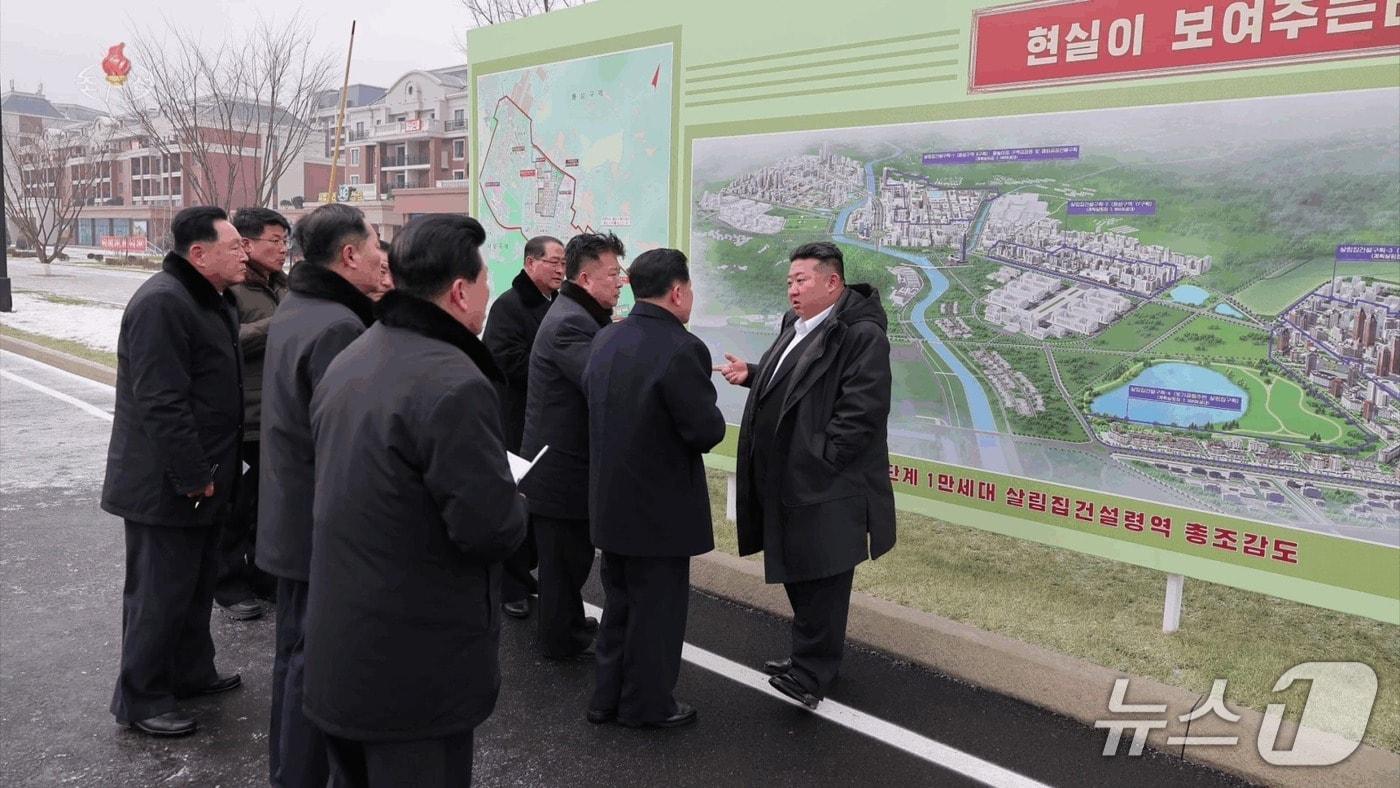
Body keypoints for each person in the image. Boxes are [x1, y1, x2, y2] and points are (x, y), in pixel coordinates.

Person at [304, 213, 526, 787]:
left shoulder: (355, 355)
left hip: (343, 646)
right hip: (415, 669)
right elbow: (488, 529)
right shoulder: (456, 383)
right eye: (484, 282)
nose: (487, 294)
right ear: (458, 291)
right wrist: (512, 498)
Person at [714, 241, 896, 710]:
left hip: (826, 484)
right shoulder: (796, 325)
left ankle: (812, 673)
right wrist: (753, 373)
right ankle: (809, 658)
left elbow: (863, 412)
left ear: (832, 282)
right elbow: (793, 381)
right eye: (790, 281)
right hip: (789, 479)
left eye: (802, 280)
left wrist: (822, 460)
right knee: (800, 569)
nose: (792, 290)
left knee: (824, 577)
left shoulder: (859, 335)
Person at [102, 206, 250, 737]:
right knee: (158, 593)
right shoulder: (163, 302)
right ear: (198, 253)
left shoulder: (211, 300)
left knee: (194, 584)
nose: (245, 253)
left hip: (206, 475)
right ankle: (141, 699)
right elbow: (161, 401)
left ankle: (190, 672)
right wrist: (192, 474)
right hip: (168, 482)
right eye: (234, 246)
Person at [257, 202, 382, 786]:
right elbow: (345, 441)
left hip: (289, 515)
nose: (385, 257)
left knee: (294, 657)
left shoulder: (299, 306)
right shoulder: (339, 326)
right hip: (316, 525)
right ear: (350, 254)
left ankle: (288, 770)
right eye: (376, 244)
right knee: (315, 665)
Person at [583, 248, 725, 728]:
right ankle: (648, 706)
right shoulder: (682, 348)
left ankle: (606, 699)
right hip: (660, 512)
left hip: (610, 502)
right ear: (678, 291)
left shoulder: (606, 338)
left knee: (619, 606)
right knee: (657, 616)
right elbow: (705, 430)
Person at [519, 231, 625, 660]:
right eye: (614, 274)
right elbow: (600, 381)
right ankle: (558, 643)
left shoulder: (580, 315)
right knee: (563, 563)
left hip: (567, 465)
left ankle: (566, 625)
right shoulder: (570, 324)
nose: (621, 282)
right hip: (558, 468)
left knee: (570, 558)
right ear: (585, 279)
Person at [481, 235, 565, 619]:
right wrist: (550, 364)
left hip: (542, 420)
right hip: (514, 421)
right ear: (531, 263)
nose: (560, 270)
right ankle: (508, 585)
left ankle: (523, 575)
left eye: (564, 264)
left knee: (535, 505)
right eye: (554, 263)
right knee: (513, 503)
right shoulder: (508, 307)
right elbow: (503, 360)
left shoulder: (555, 305)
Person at [217, 206, 290, 622]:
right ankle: (228, 585)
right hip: (241, 415)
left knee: (266, 502)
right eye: (274, 241)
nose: (282, 250)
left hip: (275, 414)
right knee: (235, 506)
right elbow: (226, 339)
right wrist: (278, 325)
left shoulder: (282, 286)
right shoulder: (232, 289)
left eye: (285, 242)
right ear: (246, 243)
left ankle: (265, 577)